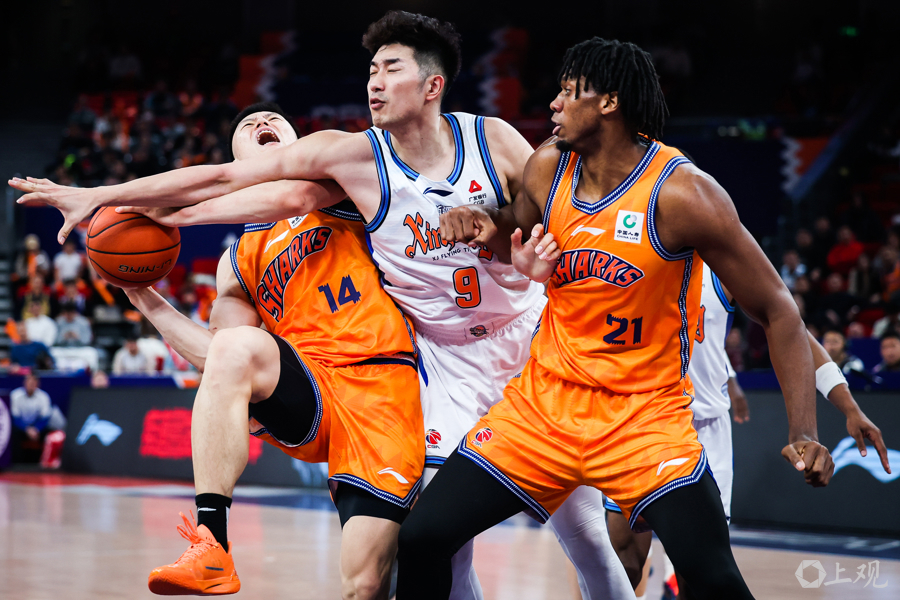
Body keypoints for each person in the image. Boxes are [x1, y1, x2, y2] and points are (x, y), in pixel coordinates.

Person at [12, 13, 634, 600]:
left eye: (390, 68)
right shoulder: (284, 222)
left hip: (497, 348)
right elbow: (222, 222)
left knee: (574, 537)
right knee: (439, 542)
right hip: (415, 369)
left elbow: (551, 217)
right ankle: (211, 541)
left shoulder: (422, 158)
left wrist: (541, 261)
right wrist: (119, 232)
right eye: (370, 71)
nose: (374, 81)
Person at [395, 38, 836, 599]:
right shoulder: (547, 166)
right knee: (423, 538)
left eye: (568, 91)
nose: (554, 103)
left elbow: (777, 309)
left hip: (642, 418)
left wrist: (803, 430)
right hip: (544, 408)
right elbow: (515, 230)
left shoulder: (683, 194)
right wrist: (482, 220)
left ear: (608, 102)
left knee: (712, 577)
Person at [127, 102, 424, 598]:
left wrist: (179, 210)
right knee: (235, 346)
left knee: (366, 582)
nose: (262, 124)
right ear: (235, 158)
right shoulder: (237, 260)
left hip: (380, 385)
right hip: (311, 386)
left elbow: (295, 193)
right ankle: (211, 543)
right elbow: (219, 358)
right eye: (248, 125)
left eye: (274, 120)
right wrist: (144, 298)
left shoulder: (339, 184)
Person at [605, 266, 889, 598]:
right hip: (641, 420)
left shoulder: (721, 264)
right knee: (624, 559)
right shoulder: (633, 257)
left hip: (702, 431)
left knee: (697, 573)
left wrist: (849, 406)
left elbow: (792, 330)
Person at [10, 373, 53, 463]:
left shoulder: (44, 396)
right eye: (29, 382)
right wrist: (27, 429)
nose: (31, 385)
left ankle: (43, 462)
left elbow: (45, 417)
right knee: (13, 432)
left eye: (33, 382)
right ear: (24, 383)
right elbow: (15, 417)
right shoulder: (15, 395)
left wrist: (36, 429)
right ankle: (17, 462)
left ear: (37, 384)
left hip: (37, 427)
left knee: (49, 432)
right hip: (21, 427)